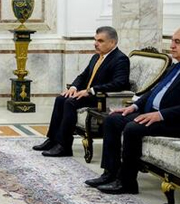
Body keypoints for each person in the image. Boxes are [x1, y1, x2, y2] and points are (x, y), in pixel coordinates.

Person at [94, 27, 180, 194]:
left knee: (133, 128)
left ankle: (127, 183)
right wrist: (134, 107)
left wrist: (160, 115)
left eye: (177, 42)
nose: (172, 46)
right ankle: (109, 173)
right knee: (112, 119)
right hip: (159, 115)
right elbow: (154, 91)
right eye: (172, 41)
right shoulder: (175, 67)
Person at [34, 26, 130, 157]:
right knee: (61, 98)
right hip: (88, 94)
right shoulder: (96, 57)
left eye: (100, 41)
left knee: (70, 103)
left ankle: (64, 146)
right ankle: (53, 140)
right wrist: (73, 87)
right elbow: (83, 76)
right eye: (95, 40)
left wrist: (91, 90)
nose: (95, 44)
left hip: (102, 98)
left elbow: (120, 83)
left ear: (112, 42)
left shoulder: (120, 59)